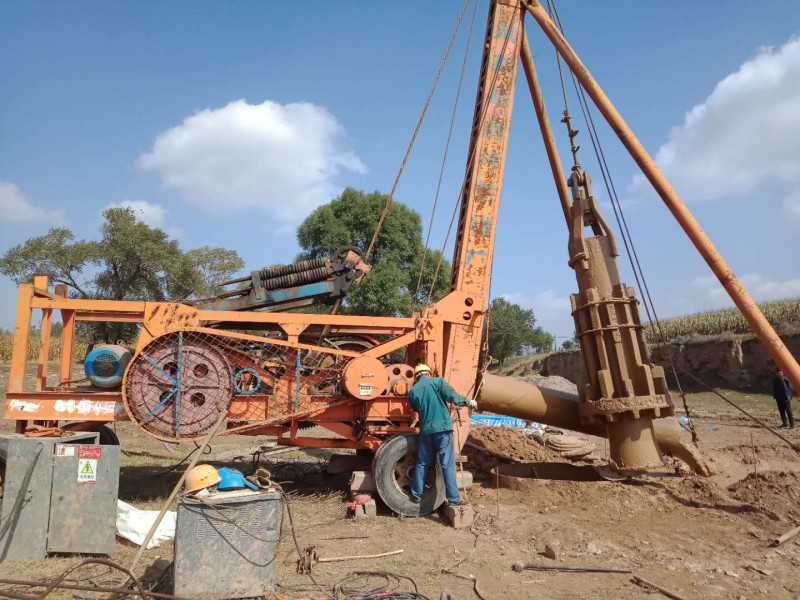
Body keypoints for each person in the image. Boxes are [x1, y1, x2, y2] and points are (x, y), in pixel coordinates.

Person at [408, 363, 478, 506]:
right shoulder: (438, 382)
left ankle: (416, 495)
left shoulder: (413, 391)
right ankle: (454, 499)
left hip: (426, 432)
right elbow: (453, 397)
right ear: (429, 373)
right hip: (443, 430)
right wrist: (469, 402)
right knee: (447, 464)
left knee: (422, 463)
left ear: (416, 377)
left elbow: (416, 408)